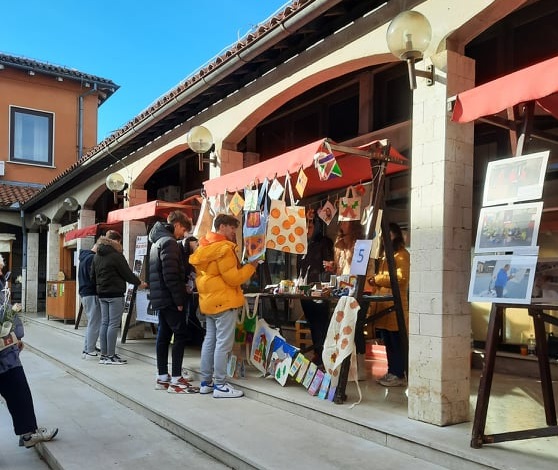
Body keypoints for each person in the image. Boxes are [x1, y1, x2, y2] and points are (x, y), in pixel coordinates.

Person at [189, 213, 259, 398]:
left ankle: (206, 382)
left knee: (210, 341)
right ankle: (220, 384)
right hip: (224, 302)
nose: (234, 231)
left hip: (209, 302)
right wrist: (252, 266)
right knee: (223, 344)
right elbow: (234, 278)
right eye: (232, 227)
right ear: (222, 227)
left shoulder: (203, 246)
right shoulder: (224, 249)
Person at [0, 255, 58, 448]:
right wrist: (14, 336)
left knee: (18, 392)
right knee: (19, 391)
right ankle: (28, 433)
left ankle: (28, 433)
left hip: (6, 349)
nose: (2, 271)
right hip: (4, 355)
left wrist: (15, 337)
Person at [148, 211, 198, 394]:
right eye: (183, 230)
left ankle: (162, 377)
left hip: (161, 297)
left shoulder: (156, 241)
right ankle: (176, 379)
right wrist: (178, 300)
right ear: (177, 224)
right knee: (180, 335)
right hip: (170, 298)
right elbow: (171, 275)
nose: (182, 235)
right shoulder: (169, 242)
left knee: (163, 335)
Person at [91, 230, 146, 365]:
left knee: (105, 323)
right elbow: (127, 274)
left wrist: (100, 287)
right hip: (115, 293)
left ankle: (104, 355)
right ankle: (110, 355)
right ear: (116, 242)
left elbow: (92, 275)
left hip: (101, 293)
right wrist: (140, 283)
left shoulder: (97, 255)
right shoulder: (116, 256)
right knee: (113, 324)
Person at [367, 222, 410, 387]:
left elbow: (401, 277)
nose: (385, 240)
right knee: (388, 342)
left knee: (396, 341)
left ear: (396, 236)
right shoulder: (387, 256)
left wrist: (377, 279)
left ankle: (398, 373)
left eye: (389, 235)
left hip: (395, 305)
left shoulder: (402, 255)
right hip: (385, 306)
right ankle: (392, 371)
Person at [298, 213, 334, 367]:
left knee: (321, 322)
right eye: (305, 226)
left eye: (310, 226)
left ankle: (323, 355)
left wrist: (324, 286)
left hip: (318, 287)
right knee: (312, 322)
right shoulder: (301, 243)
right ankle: (318, 353)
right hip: (304, 288)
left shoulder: (324, 242)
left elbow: (328, 266)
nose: (307, 229)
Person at [180, 235, 205, 346]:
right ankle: (194, 337)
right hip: (190, 288)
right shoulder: (186, 255)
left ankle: (193, 337)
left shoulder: (192, 255)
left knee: (191, 314)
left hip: (194, 288)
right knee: (190, 314)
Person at [78, 243, 100, 359]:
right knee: (94, 322)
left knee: (92, 321)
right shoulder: (92, 258)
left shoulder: (84, 257)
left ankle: (88, 347)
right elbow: (93, 277)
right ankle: (89, 349)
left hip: (84, 292)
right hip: (91, 293)